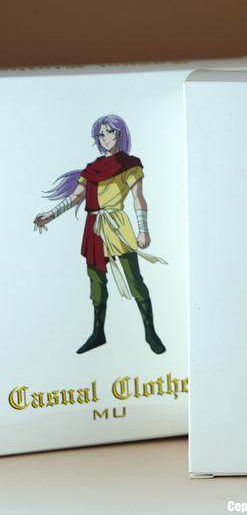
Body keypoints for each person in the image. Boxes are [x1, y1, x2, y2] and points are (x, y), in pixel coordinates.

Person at [33, 114, 167, 355]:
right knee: (96, 281)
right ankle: (98, 333)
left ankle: (150, 333)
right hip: (94, 227)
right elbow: (75, 197)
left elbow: (138, 198)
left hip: (117, 227)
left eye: (109, 132)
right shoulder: (92, 169)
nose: (104, 138)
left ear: (120, 133)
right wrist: (50, 215)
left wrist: (143, 230)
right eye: (100, 134)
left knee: (134, 280)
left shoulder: (130, 164)